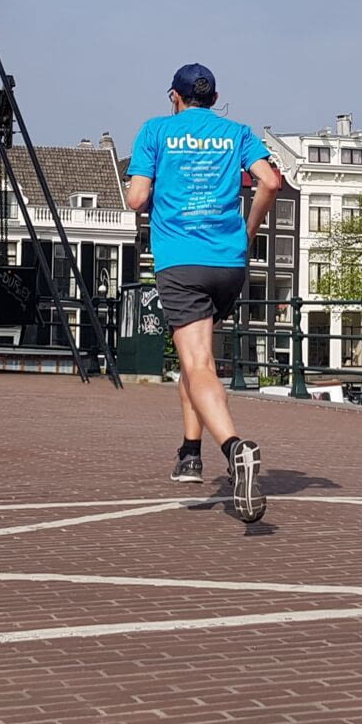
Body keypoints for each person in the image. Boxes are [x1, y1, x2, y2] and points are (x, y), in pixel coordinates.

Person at [127, 63, 281, 523]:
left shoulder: (156, 130)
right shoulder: (237, 132)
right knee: (199, 363)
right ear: (214, 98)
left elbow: (136, 199)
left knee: (196, 363)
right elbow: (271, 181)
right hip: (229, 263)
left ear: (174, 96)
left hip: (181, 259)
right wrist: (248, 231)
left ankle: (234, 448)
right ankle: (190, 454)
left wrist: (154, 195)